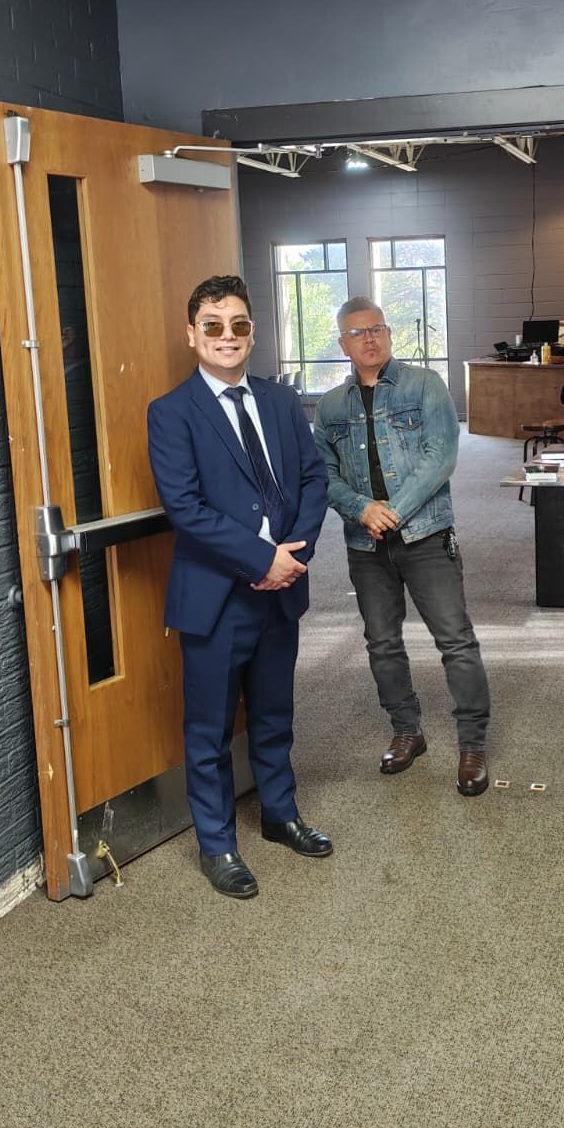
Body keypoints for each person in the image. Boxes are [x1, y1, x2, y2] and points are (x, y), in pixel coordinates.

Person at [147, 275, 332, 898]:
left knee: (275, 714)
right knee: (209, 731)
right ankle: (218, 844)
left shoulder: (281, 401)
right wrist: (261, 559)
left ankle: (280, 814)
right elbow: (185, 508)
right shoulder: (171, 413)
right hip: (217, 599)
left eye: (239, 325)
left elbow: (313, 479)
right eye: (213, 325)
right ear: (191, 334)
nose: (227, 337)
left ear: (253, 333)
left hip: (282, 589)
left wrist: (293, 554)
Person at [313, 298, 491, 797]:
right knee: (382, 642)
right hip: (365, 545)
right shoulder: (330, 407)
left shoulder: (425, 385)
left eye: (377, 329)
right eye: (357, 332)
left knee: (455, 640)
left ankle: (472, 744)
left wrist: (390, 511)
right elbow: (322, 473)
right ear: (343, 344)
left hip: (425, 535)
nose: (369, 338)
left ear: (388, 334)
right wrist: (360, 509)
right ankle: (407, 731)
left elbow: (441, 456)